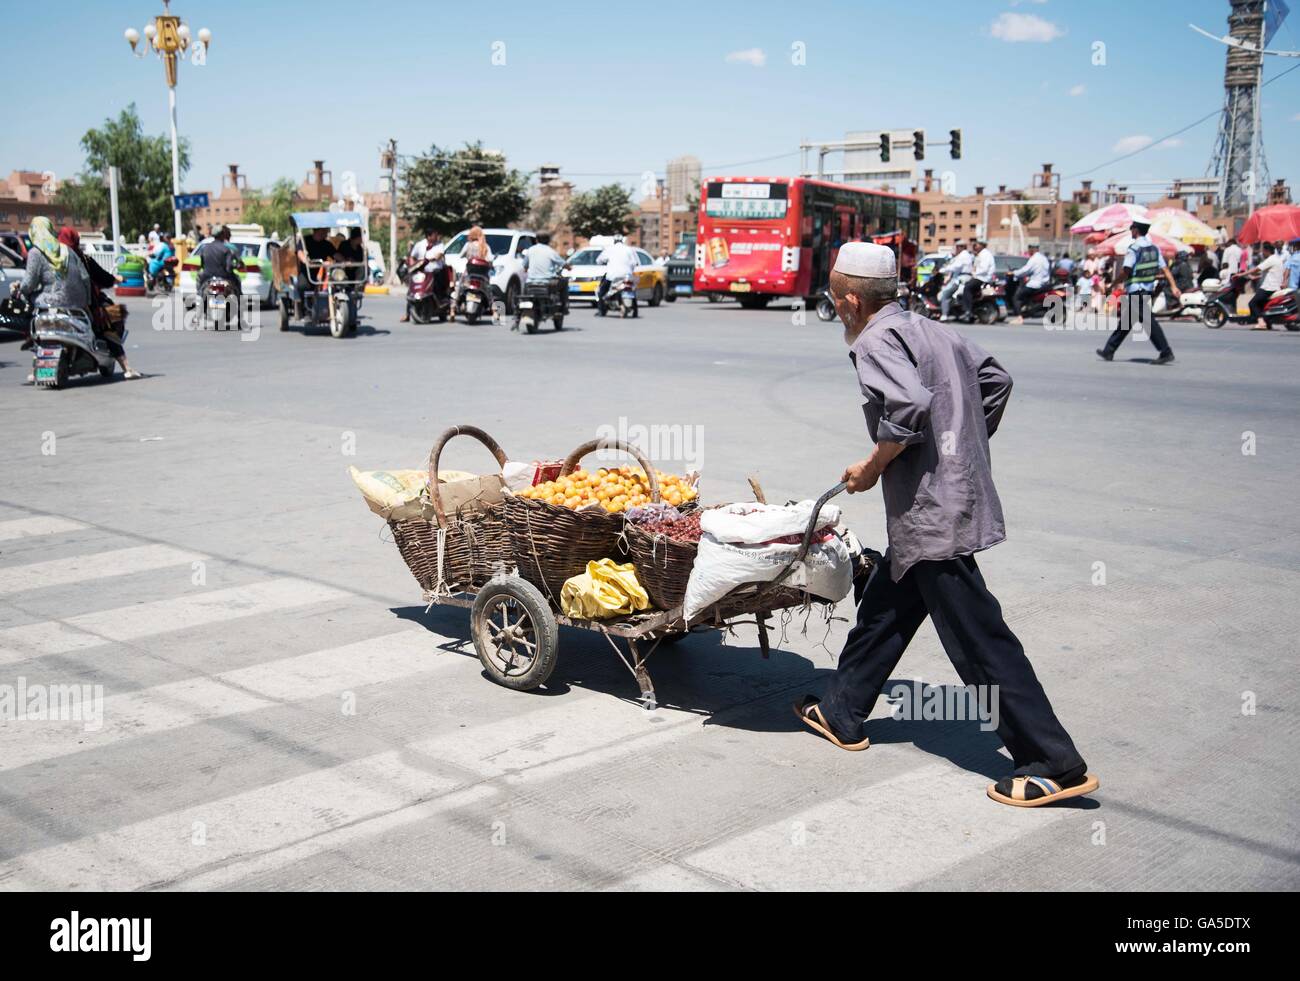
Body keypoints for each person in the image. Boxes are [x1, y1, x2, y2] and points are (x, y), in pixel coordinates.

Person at [792, 242, 1096, 808]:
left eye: (836, 301)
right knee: (891, 601)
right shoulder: (932, 329)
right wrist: (958, 444)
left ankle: (1054, 761)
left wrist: (874, 465)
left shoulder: (876, 339)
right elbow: (997, 381)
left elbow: (905, 408)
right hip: (945, 496)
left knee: (978, 637)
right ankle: (842, 710)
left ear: (852, 301)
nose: (836, 309)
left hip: (931, 507)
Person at [58, 225, 141, 379]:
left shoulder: (50, 258)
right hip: (84, 305)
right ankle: (127, 368)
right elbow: (102, 277)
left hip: (53, 305)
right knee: (110, 321)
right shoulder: (82, 258)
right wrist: (116, 278)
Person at [1097, 217, 1179, 364]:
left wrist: (1112, 285)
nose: (1130, 231)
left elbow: (1126, 271)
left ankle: (1166, 352)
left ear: (1135, 230)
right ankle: (1109, 351)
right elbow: (1165, 269)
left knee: (1149, 323)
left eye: (1131, 228)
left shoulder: (1134, 249)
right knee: (1126, 323)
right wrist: (1173, 286)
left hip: (1137, 291)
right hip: (1146, 290)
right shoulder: (1154, 249)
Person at [399, 228, 445, 322]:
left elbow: (440, 254)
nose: (436, 237)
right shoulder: (420, 245)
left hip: (434, 272)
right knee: (412, 290)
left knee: (438, 286)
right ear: (429, 236)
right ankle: (407, 314)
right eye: (434, 235)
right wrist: (412, 265)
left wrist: (433, 258)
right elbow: (412, 256)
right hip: (421, 272)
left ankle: (441, 304)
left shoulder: (439, 245)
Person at [595, 234, 641, 317]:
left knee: (601, 292)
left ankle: (601, 311)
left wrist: (603, 262)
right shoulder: (629, 249)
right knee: (632, 292)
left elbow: (599, 260)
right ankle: (635, 312)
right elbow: (636, 262)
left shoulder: (609, 249)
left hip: (612, 276)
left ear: (614, 241)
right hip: (627, 276)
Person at [1007, 243, 1050, 324]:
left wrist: (1013, 273)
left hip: (1034, 285)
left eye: (1029, 249)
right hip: (1044, 284)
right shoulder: (1044, 258)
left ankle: (1019, 318)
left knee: (1016, 298)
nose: (1028, 251)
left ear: (1032, 249)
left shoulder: (1034, 259)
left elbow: (1025, 270)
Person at [295, 226, 334, 314]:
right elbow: (299, 252)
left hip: (320, 272)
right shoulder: (305, 240)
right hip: (306, 272)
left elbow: (335, 254)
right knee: (303, 286)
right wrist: (305, 260)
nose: (327, 232)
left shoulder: (327, 244)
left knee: (332, 287)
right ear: (319, 231)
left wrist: (344, 261)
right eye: (325, 230)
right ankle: (302, 308)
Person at [1247, 242, 1285, 330]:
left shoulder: (1270, 259)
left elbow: (1256, 269)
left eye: (1263, 251)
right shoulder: (1277, 259)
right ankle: (1268, 323)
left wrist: (1241, 275)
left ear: (1267, 251)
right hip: (1275, 286)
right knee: (1262, 304)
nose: (1262, 253)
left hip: (1268, 287)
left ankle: (1261, 323)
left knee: (1252, 303)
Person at [197, 225, 242, 298]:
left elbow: (202, 265)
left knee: (199, 284)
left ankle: (199, 296)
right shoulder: (226, 249)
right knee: (237, 282)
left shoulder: (205, 248)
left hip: (207, 277)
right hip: (224, 277)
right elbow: (229, 268)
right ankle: (239, 301)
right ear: (222, 235)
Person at [959, 239, 995, 322]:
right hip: (979, 277)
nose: (975, 246)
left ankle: (968, 310)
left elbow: (984, 269)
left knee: (967, 288)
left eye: (977, 245)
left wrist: (974, 273)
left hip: (982, 278)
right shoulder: (980, 254)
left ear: (982, 245)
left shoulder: (985, 254)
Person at [937, 243, 971, 321]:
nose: (956, 249)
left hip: (961, 279)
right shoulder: (963, 255)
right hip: (960, 278)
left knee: (945, 294)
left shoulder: (963, 255)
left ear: (961, 247)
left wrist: (943, 270)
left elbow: (955, 266)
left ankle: (944, 314)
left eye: (957, 247)